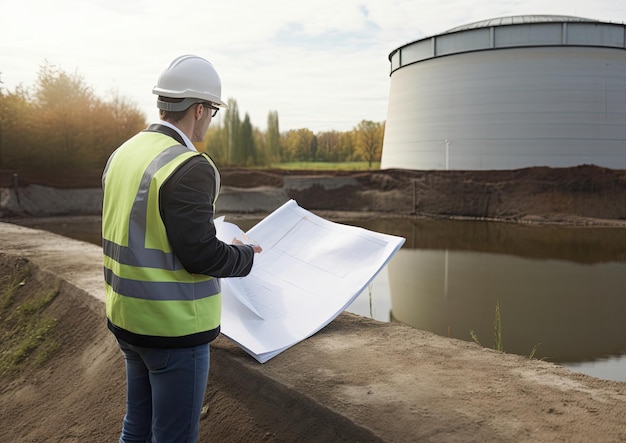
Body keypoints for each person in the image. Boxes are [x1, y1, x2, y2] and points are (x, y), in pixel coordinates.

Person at [101, 54, 262, 442]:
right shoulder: (189, 165)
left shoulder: (123, 153)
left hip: (127, 319)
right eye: (212, 112)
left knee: (136, 427)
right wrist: (245, 255)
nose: (210, 120)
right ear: (199, 109)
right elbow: (202, 255)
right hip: (172, 330)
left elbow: (148, 230)